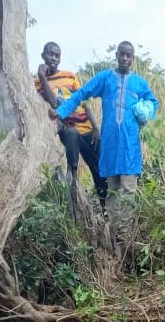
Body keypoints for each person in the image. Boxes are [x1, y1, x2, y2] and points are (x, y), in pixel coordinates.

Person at [54, 40, 158, 244]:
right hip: (110, 145)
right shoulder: (105, 78)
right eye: (122, 54)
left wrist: (146, 111)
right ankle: (111, 235)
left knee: (128, 190)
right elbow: (82, 93)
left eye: (129, 56)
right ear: (116, 55)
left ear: (133, 58)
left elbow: (153, 102)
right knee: (112, 192)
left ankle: (123, 237)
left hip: (130, 147)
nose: (125, 59)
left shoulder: (139, 83)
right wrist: (61, 111)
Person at [35, 41, 108, 208]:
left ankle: (106, 211)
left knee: (100, 171)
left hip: (86, 128)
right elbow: (55, 104)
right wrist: (42, 77)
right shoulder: (38, 83)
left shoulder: (70, 76)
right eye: (50, 54)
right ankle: (73, 177)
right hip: (67, 131)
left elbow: (85, 102)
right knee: (72, 134)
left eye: (57, 55)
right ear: (43, 56)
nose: (53, 58)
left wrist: (96, 128)